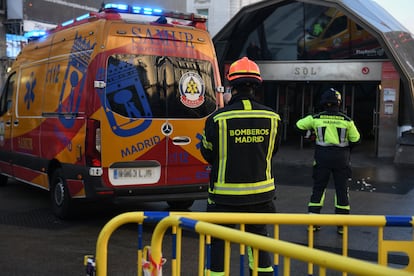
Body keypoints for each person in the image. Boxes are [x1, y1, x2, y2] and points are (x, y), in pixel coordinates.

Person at [201, 57, 281, 275]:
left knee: (218, 246)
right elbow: (272, 151)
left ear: (231, 86)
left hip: (224, 199)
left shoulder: (217, 119)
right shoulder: (272, 117)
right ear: (256, 85)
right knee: (260, 244)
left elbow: (207, 152)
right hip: (261, 197)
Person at [296, 88, 361, 235]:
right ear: (339, 103)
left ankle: (313, 223)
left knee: (318, 189)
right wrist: (348, 149)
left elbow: (298, 125)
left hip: (322, 158)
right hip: (341, 159)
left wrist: (310, 135)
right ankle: (341, 226)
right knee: (342, 190)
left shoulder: (316, 118)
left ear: (324, 103)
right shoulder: (347, 121)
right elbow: (356, 139)